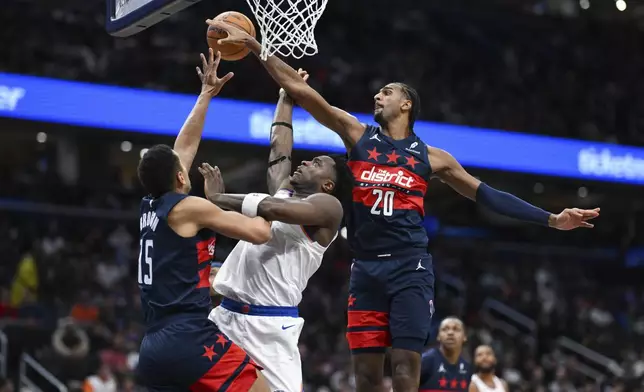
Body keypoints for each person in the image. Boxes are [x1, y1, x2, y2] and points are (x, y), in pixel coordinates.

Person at [206, 19, 601, 392]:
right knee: (365, 374)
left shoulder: (433, 158)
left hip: (410, 265)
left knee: (405, 366)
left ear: (407, 104)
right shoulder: (357, 136)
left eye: (387, 92)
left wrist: (550, 218)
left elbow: (487, 194)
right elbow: (301, 90)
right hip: (366, 267)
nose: (378, 96)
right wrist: (258, 48)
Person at [201, 73, 352, 392]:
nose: (307, 161)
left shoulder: (327, 207)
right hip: (223, 317)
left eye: (317, 163)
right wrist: (285, 99)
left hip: (269, 327)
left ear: (328, 184)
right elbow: (278, 152)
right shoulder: (285, 192)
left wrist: (218, 200)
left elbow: (274, 210)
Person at [135, 48, 271, 392]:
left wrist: (205, 95)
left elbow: (184, 147)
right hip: (189, 339)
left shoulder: (152, 203)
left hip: (152, 346)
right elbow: (259, 232)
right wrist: (257, 200)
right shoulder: (191, 207)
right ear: (180, 179)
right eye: (182, 169)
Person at [419, 317, 472, 392]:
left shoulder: (467, 368)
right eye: (445, 329)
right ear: (438, 336)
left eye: (456, 329)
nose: (450, 333)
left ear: (465, 337)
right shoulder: (426, 361)